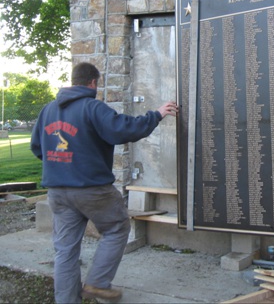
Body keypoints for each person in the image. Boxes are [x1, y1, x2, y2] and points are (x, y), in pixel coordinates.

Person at [30, 62, 178, 304]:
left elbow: (38, 148)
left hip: (57, 192)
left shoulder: (48, 110)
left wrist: (61, 166)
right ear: (93, 83)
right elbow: (124, 130)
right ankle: (98, 283)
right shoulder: (92, 107)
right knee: (116, 228)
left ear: (72, 80)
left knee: (65, 250)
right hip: (92, 190)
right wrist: (157, 114)